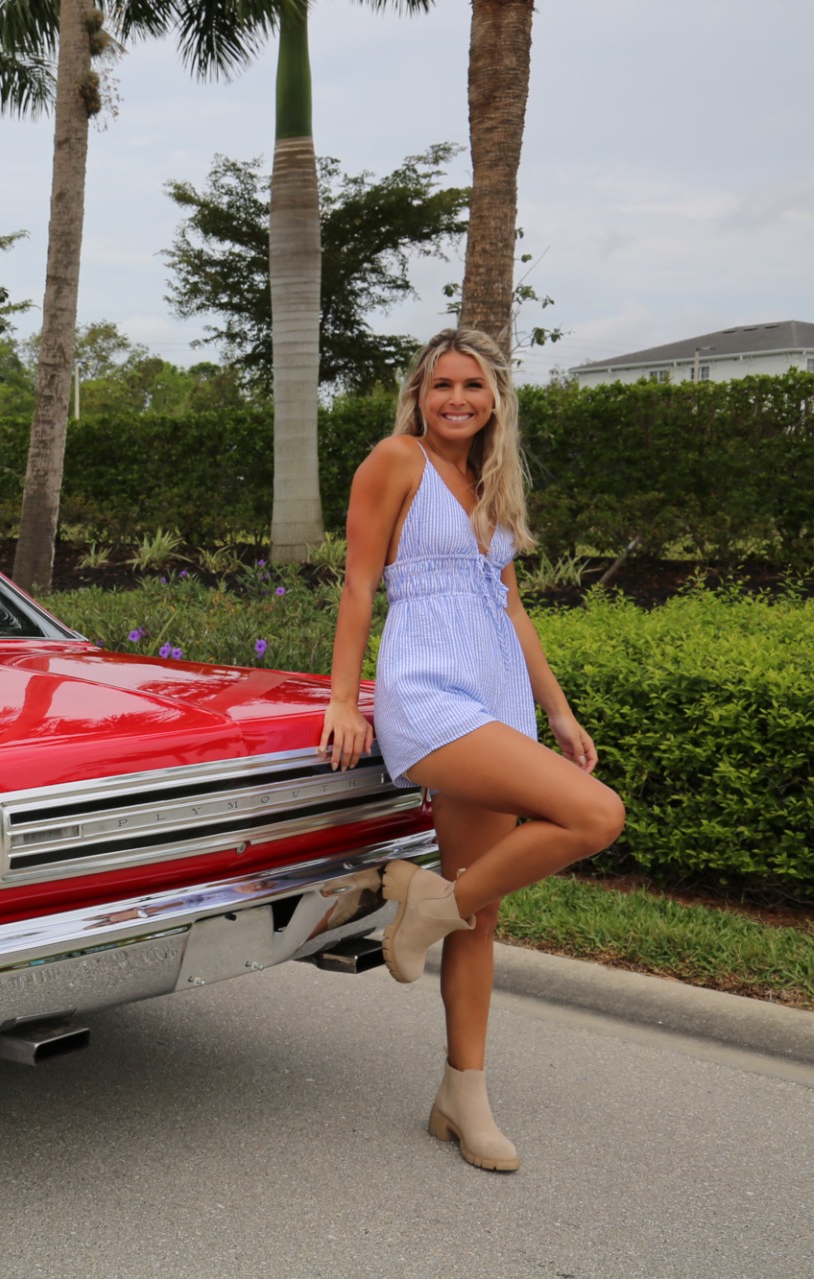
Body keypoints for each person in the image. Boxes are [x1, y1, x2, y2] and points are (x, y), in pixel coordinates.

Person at [319, 328, 624, 1174]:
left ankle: (463, 1092)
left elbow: (511, 606)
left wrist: (558, 712)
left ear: (495, 399)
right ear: (420, 392)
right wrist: (347, 700)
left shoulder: (491, 482)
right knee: (596, 813)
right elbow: (357, 581)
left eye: (474, 386)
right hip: (427, 691)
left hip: (497, 696)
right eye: (443, 383)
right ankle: (421, 900)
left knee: (478, 913)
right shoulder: (396, 459)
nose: (458, 398)